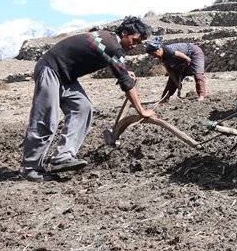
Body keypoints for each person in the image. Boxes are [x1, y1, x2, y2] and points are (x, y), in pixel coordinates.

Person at [21, 16, 153, 182]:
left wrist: (124, 73)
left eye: (138, 44)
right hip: (50, 68)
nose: (134, 46)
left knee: (83, 107)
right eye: (134, 41)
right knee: (46, 120)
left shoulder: (108, 39)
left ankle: (62, 157)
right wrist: (141, 110)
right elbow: (126, 83)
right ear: (124, 32)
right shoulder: (113, 46)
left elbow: (119, 69)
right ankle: (31, 169)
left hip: (66, 76)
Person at [145, 36, 207, 102]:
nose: (154, 56)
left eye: (154, 54)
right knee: (172, 80)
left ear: (159, 49)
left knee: (198, 75)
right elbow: (170, 70)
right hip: (181, 61)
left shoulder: (171, 51)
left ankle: (201, 96)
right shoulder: (162, 57)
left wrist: (182, 70)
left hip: (194, 53)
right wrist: (177, 83)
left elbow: (187, 60)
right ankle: (164, 98)